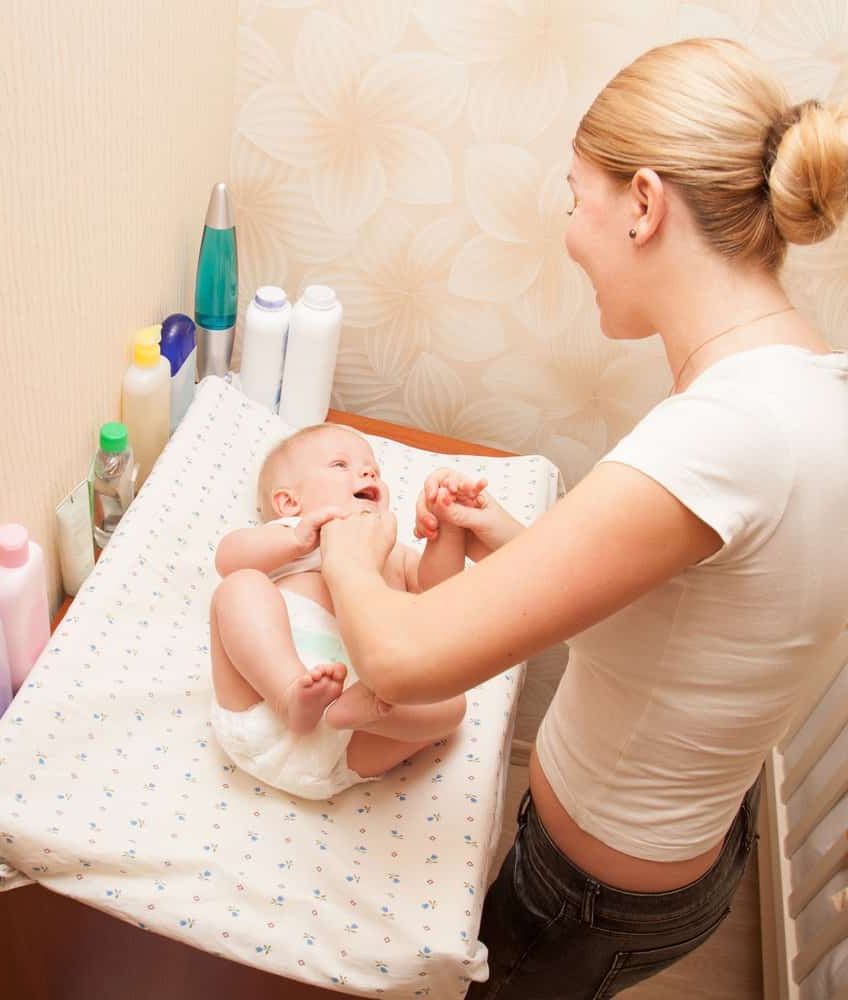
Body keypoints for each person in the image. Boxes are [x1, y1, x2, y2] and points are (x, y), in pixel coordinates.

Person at [316, 37, 848, 999]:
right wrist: (521, 549)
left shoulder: (722, 435)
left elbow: (398, 661)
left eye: (575, 197)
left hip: (591, 893)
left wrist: (345, 548)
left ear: (643, 204)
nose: (569, 231)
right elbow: (693, 619)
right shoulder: (812, 390)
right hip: (689, 845)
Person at [209, 422, 468, 800]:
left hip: (347, 739)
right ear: (288, 503)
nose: (368, 473)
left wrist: (448, 531)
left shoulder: (392, 550)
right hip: (259, 699)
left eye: (373, 468)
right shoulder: (290, 534)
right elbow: (227, 559)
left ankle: (365, 708)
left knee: (453, 705)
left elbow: (437, 590)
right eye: (340, 464)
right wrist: (294, 539)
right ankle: (289, 693)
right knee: (238, 587)